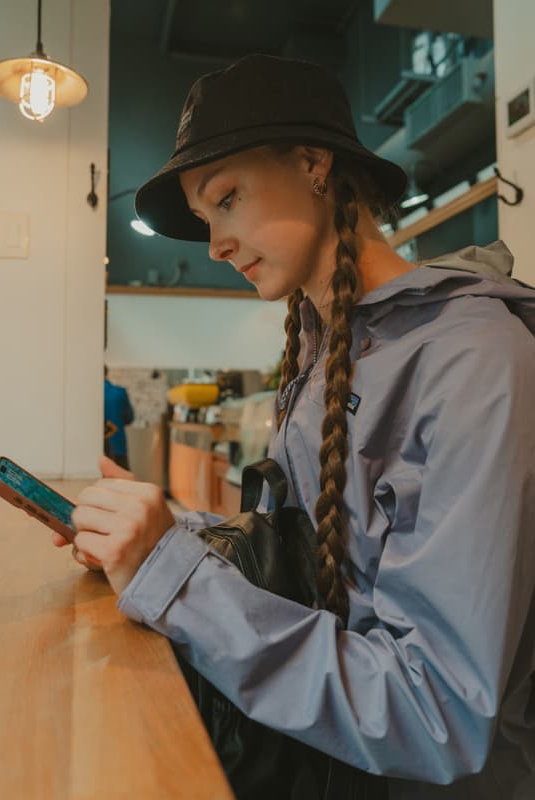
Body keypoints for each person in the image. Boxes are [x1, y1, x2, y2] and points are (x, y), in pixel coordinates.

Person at [53, 54, 535, 798]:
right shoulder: (322, 349)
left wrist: (173, 578)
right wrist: (161, 537)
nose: (214, 245)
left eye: (228, 198)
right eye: (206, 217)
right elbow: (307, 565)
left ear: (314, 164)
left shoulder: (476, 362)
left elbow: (439, 710)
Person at [103, 366, 134, 470]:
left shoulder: (87, 394)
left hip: (95, 450)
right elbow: (130, 418)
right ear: (106, 373)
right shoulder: (120, 392)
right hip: (118, 445)